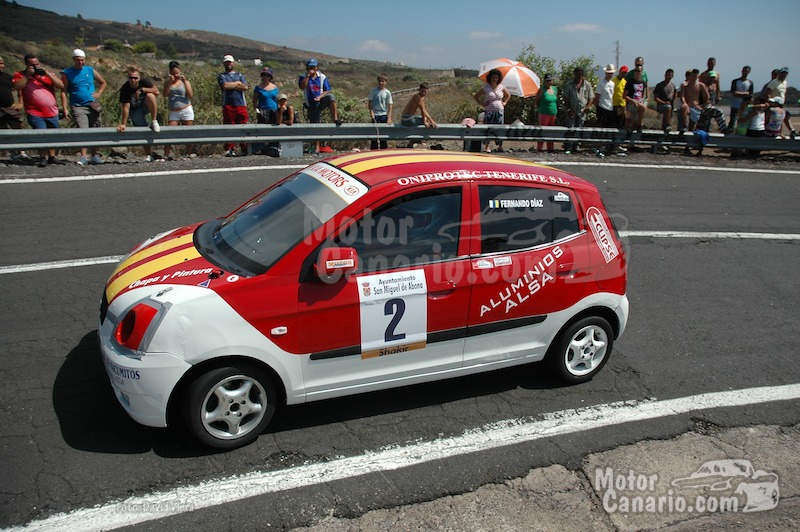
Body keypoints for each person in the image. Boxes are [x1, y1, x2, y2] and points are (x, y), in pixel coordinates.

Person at [12, 54, 66, 166]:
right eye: (32, 65)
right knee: (41, 134)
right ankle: (42, 157)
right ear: (26, 65)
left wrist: (47, 74)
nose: (35, 67)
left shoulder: (46, 74)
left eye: (37, 64)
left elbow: (60, 85)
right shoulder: (20, 75)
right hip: (35, 112)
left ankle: (52, 156)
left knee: (52, 134)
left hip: (52, 111)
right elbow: (17, 86)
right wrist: (27, 76)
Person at [61, 48, 107, 165]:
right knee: (83, 129)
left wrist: (98, 93)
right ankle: (83, 156)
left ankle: (95, 155)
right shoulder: (67, 72)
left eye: (82, 60)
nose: (80, 62)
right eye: (78, 60)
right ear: (73, 60)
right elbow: (64, 91)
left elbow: (103, 82)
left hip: (92, 104)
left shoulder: (90, 70)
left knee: (96, 129)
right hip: (78, 105)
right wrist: (65, 108)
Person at [117, 67, 160, 162]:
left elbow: (157, 91)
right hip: (134, 110)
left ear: (139, 78)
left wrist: (143, 90)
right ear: (128, 78)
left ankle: (154, 120)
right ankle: (149, 154)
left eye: (135, 78)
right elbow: (126, 107)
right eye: (131, 78)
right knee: (143, 129)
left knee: (151, 95)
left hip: (144, 105)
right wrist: (123, 123)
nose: (133, 80)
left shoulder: (144, 82)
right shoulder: (125, 89)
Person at [299, 57, 341, 153]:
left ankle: (335, 118)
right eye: (310, 67)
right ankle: (317, 148)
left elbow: (327, 90)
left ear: (317, 67)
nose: (311, 69)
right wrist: (307, 77)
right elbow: (302, 86)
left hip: (320, 101)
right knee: (315, 124)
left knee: (331, 97)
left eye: (313, 67)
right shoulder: (303, 76)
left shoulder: (322, 77)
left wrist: (320, 97)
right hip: (310, 104)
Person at [218, 54, 249, 157]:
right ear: (224, 64)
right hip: (228, 104)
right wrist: (237, 84)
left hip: (241, 104)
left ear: (233, 63)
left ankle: (244, 148)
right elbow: (225, 86)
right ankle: (229, 148)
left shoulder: (240, 75)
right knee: (229, 126)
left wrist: (233, 85)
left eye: (230, 62)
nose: (228, 64)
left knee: (243, 125)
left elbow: (245, 87)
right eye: (226, 62)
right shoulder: (222, 76)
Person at [473, 69, 510, 153]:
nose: (495, 79)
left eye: (496, 77)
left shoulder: (501, 87)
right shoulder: (486, 88)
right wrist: (482, 104)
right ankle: (487, 146)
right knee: (488, 128)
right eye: (493, 77)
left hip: (499, 111)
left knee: (500, 128)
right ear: (490, 78)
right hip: (489, 110)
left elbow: (508, 95)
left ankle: (500, 146)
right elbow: (476, 96)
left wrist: (504, 102)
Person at [163, 60, 194, 159]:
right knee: (170, 133)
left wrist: (185, 81)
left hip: (185, 110)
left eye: (177, 73)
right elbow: (165, 94)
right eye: (173, 73)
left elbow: (190, 95)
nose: (175, 75)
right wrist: (169, 82)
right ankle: (166, 154)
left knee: (188, 133)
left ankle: (188, 153)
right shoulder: (168, 82)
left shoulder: (185, 82)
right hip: (174, 112)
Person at [562, 67, 593, 152]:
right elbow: (565, 97)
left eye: (580, 74)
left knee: (579, 128)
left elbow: (591, 97)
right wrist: (568, 109)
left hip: (582, 111)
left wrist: (588, 107)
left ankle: (576, 146)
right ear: (574, 74)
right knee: (570, 128)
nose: (578, 76)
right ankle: (567, 146)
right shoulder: (569, 84)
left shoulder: (587, 84)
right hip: (572, 111)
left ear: (583, 75)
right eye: (577, 74)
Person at [0, 56, 24, 147]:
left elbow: (18, 88)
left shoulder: (7, 76)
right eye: (0, 64)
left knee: (18, 129)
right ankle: (8, 152)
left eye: (3, 63)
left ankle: (21, 151)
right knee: (2, 132)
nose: (3, 66)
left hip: (10, 108)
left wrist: (20, 102)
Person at [367, 73, 393, 149]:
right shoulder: (373, 91)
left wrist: (389, 117)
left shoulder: (387, 92)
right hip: (375, 114)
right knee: (374, 135)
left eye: (383, 81)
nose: (381, 83)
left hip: (383, 115)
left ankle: (383, 150)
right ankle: (374, 150)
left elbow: (390, 104)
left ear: (386, 82)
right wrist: (371, 112)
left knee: (383, 136)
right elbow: (370, 102)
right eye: (380, 81)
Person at [534, 73, 558, 153]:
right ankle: (540, 147)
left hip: (553, 113)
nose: (549, 82)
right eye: (547, 81)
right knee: (542, 130)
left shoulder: (554, 89)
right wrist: (540, 108)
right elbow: (536, 101)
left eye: (550, 81)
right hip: (544, 113)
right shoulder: (542, 90)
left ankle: (550, 148)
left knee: (551, 131)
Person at [728, 65, 753, 131]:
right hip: (735, 104)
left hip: (744, 105)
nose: (745, 72)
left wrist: (743, 95)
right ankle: (730, 131)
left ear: (749, 72)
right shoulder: (735, 81)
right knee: (732, 120)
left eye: (746, 71)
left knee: (742, 121)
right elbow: (733, 92)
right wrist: (744, 94)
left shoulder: (750, 83)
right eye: (744, 71)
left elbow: (750, 94)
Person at [624, 66, 647, 133]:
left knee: (642, 107)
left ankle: (636, 126)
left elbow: (643, 94)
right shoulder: (630, 82)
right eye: (635, 71)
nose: (637, 72)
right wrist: (632, 101)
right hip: (631, 103)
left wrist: (642, 101)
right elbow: (624, 96)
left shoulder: (643, 82)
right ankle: (638, 125)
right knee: (640, 108)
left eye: (638, 71)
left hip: (639, 103)